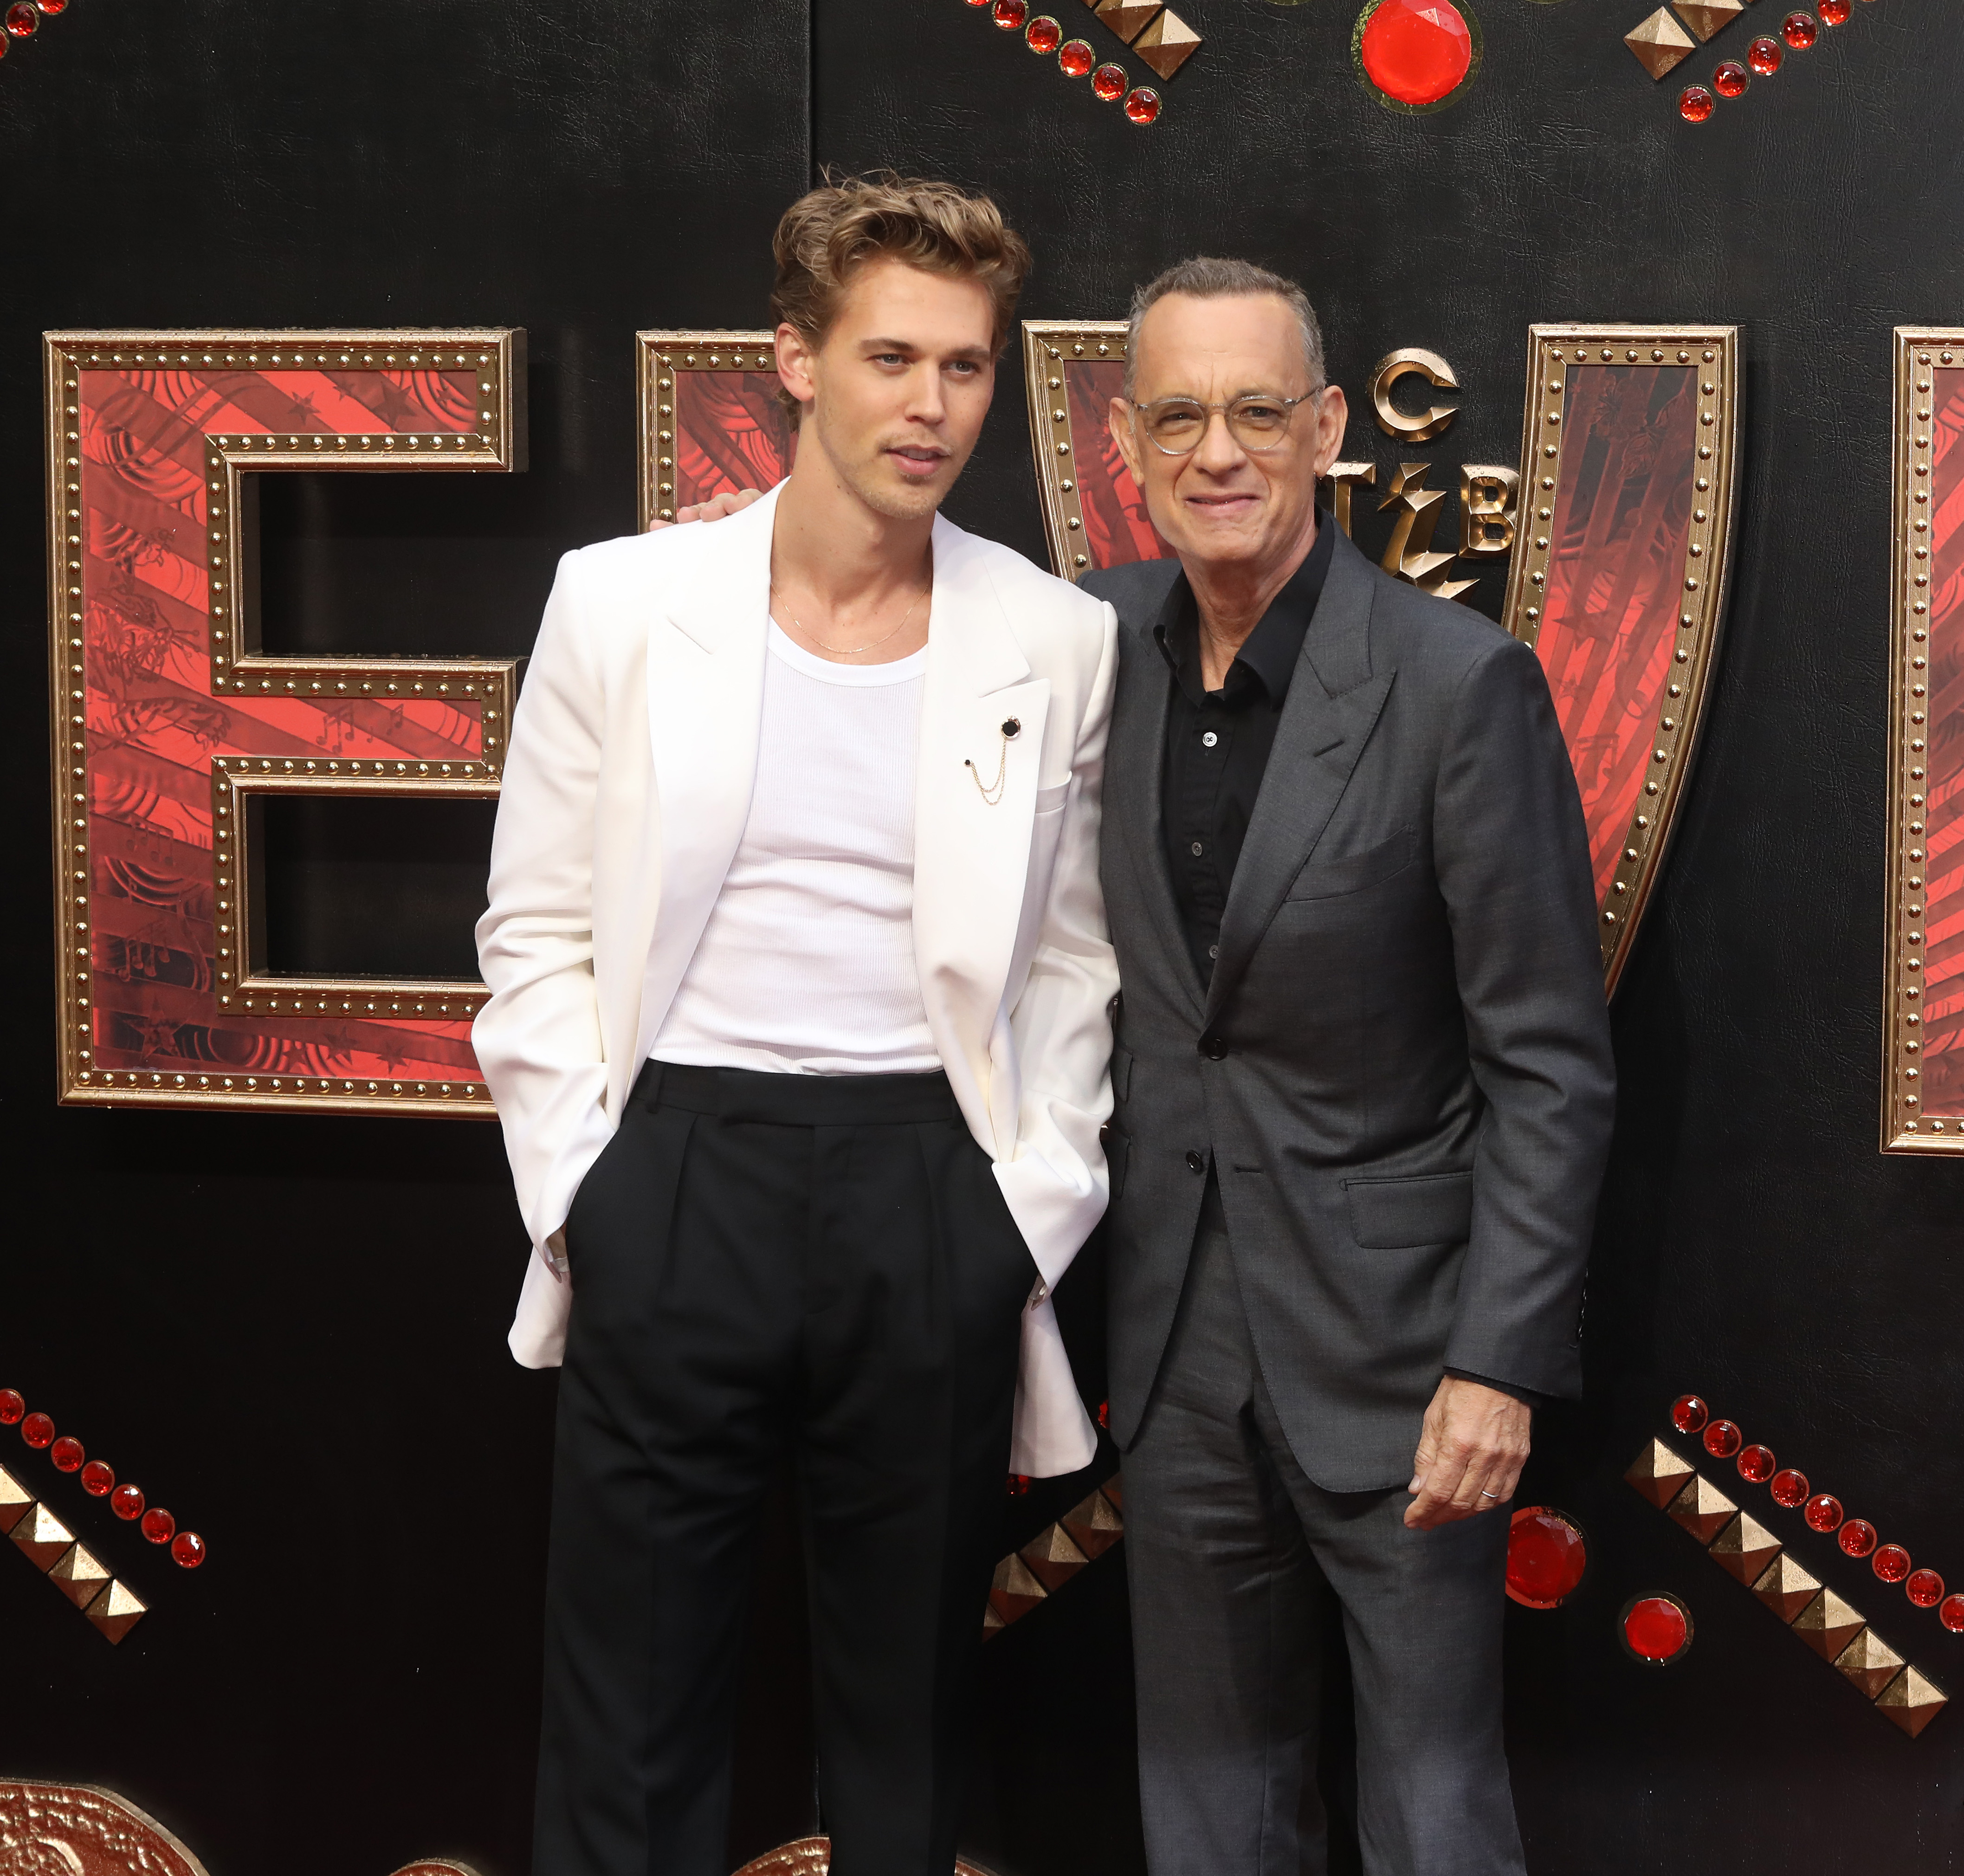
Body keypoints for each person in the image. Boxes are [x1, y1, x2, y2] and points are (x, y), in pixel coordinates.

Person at [472, 175, 1117, 1876]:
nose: (931, 405)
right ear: (795, 363)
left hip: (930, 1186)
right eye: (893, 357)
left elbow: (1071, 966)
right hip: (675, 1173)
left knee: (908, 1721)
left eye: (967, 368)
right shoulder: (618, 602)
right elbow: (531, 926)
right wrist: (587, 1189)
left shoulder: (1055, 637)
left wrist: (1019, 1219)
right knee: (630, 1710)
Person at [1085, 259, 1615, 1876]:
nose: (1218, 450)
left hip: (1407, 1365)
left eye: (1257, 410)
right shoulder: (1072, 654)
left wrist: (1500, 1363)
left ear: (1327, 430)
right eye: (1179, 414)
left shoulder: (1460, 683)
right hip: (1172, 1345)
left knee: (1437, 1815)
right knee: (1206, 1813)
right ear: (1128, 439)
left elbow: (1548, 1061)